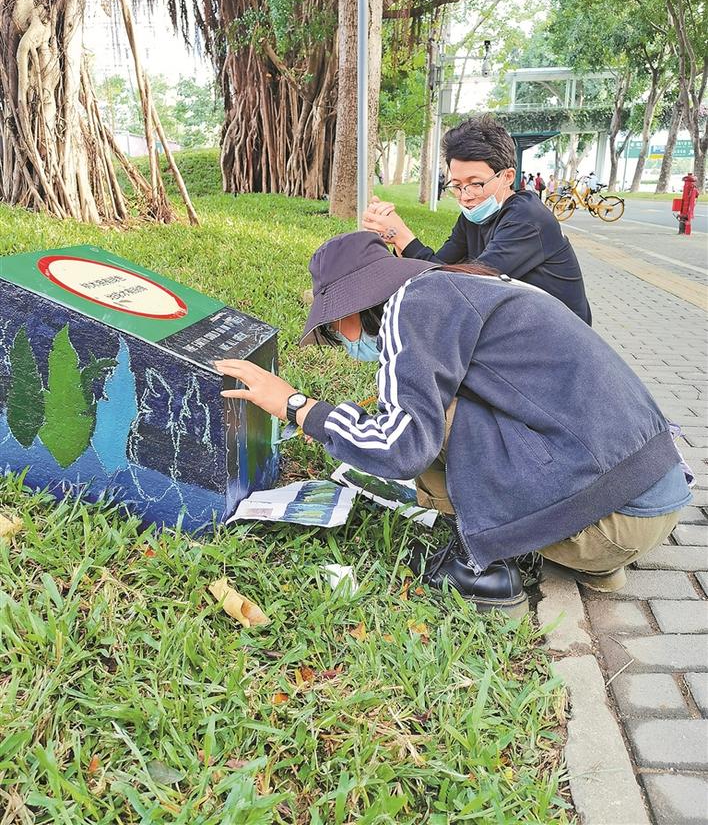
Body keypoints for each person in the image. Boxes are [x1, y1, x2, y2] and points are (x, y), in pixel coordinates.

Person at [214, 231, 692, 617]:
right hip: (653, 499)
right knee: (438, 404)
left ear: (351, 308)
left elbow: (402, 449)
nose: (338, 340)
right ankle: (584, 556)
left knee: (425, 419)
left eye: (332, 327)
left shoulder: (411, 306)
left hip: (611, 525)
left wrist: (298, 406)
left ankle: (481, 568)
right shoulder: (468, 286)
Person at [362, 115, 592, 325]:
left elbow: (465, 287)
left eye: (475, 183)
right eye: (457, 186)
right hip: (521, 322)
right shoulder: (472, 217)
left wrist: (403, 235)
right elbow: (437, 269)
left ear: (507, 177)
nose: (465, 196)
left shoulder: (528, 219)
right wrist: (396, 239)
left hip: (559, 337)